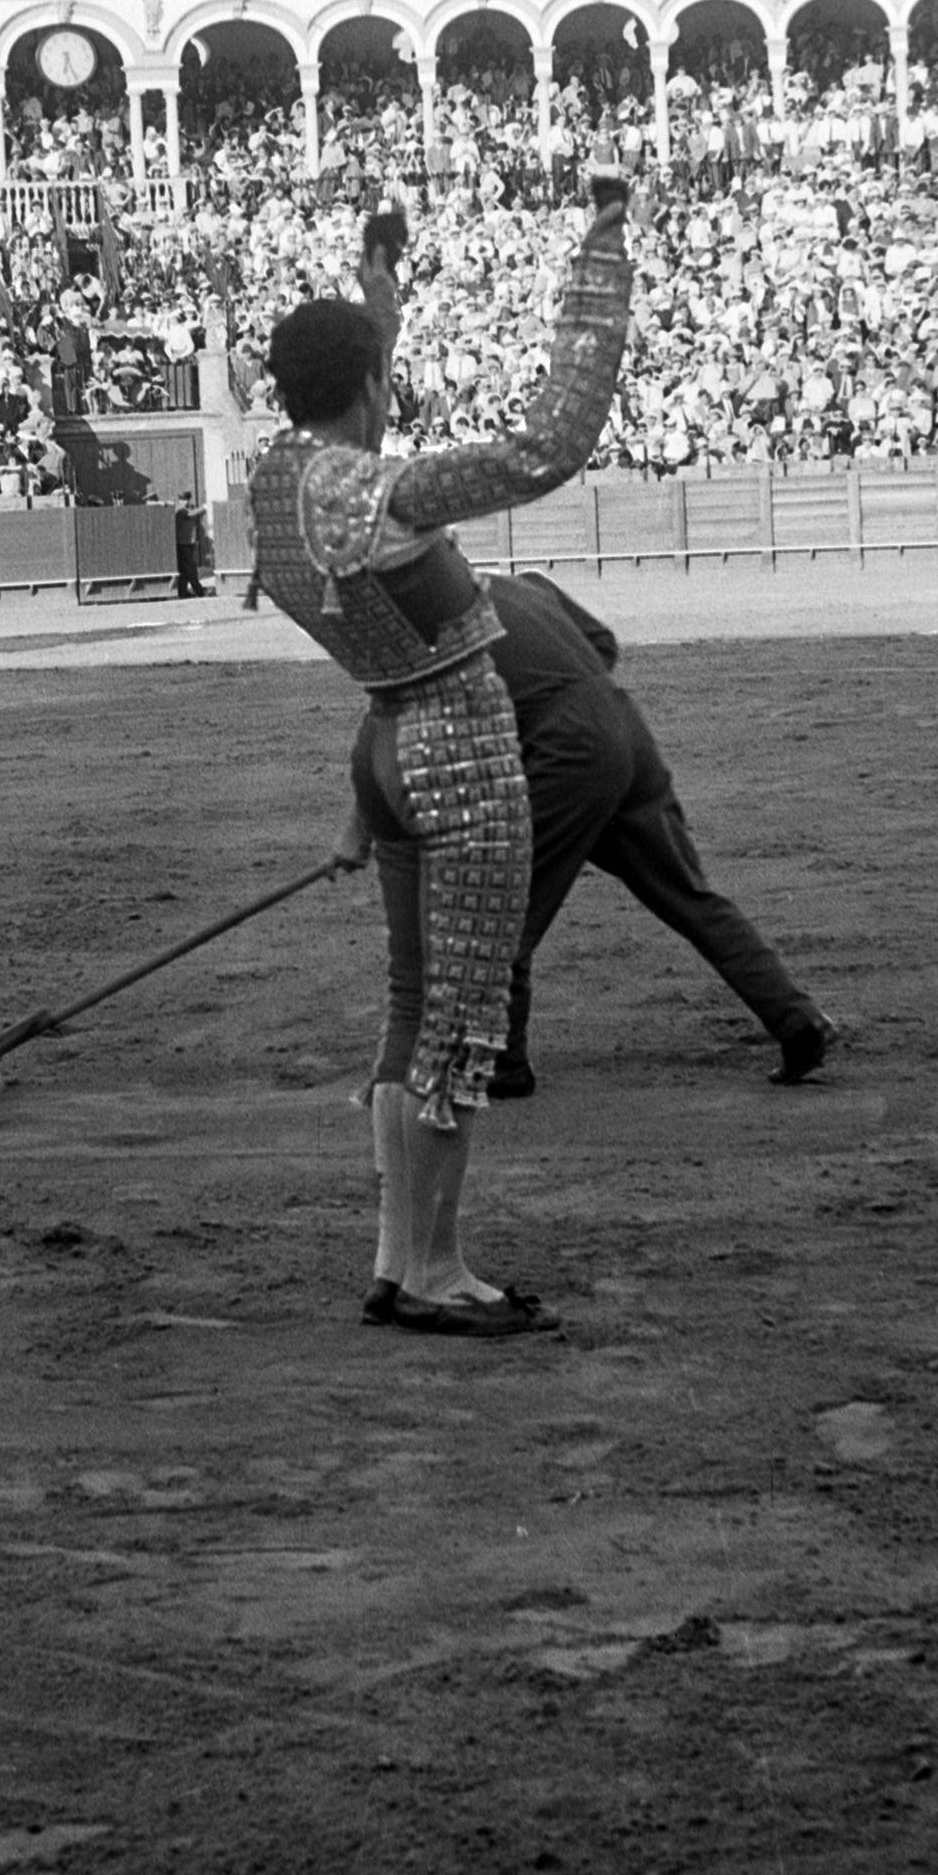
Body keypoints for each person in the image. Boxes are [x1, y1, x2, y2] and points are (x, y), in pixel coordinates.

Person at [248, 190, 633, 1337]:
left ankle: (395, 1258)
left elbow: (349, 409)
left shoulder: (276, 484)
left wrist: (378, 299)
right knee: (458, 1020)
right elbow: (547, 444)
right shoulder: (388, 493)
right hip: (459, 754)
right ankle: (434, 1270)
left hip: (383, 747)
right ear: (371, 386)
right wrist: (600, 265)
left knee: (411, 1007)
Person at [475, 572, 835, 1097]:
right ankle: (796, 1018)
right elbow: (602, 643)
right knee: (689, 894)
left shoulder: (436, 623)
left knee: (502, 904)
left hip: (562, 749)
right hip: (622, 725)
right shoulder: (525, 585)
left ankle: (502, 1063)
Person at [172, 489, 211, 598]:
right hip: (183, 544)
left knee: (184, 571)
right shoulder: (180, 510)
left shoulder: (186, 509)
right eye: (183, 499)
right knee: (191, 569)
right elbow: (190, 514)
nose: (185, 502)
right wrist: (203, 508)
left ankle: (183, 592)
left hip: (187, 543)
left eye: (186, 499)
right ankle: (199, 591)